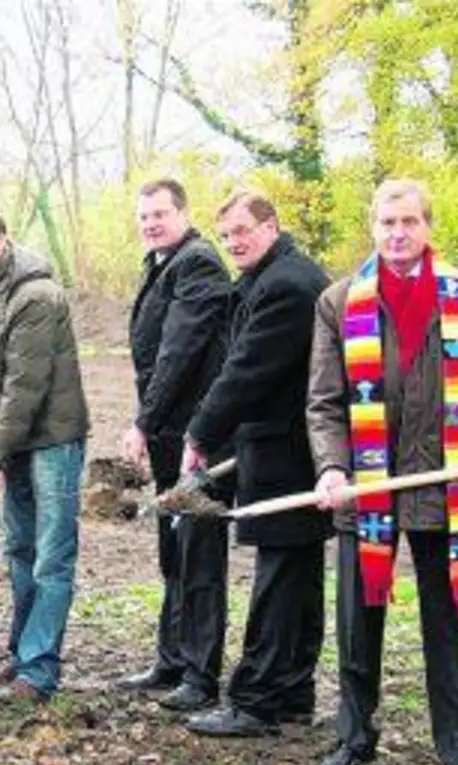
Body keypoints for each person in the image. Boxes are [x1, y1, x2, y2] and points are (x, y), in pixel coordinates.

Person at [307, 178, 458, 765]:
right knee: (357, 621)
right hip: (366, 490)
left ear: (427, 226)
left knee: (449, 624)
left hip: (445, 483)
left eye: (409, 221)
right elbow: (324, 402)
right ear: (372, 227)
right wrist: (332, 467)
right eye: (387, 223)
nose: (398, 234)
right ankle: (355, 737)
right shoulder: (337, 302)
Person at [179, 189, 334, 737]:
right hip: (282, 449)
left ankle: (258, 701)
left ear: (271, 226)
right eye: (227, 236)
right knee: (295, 575)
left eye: (244, 230)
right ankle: (292, 694)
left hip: (286, 452)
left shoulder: (288, 287)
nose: (235, 243)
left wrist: (200, 433)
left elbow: (246, 370)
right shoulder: (272, 279)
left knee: (280, 575)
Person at [0, 204, 91, 705]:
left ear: (2, 241)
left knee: (51, 556)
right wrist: (2, 452)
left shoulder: (35, 295)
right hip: (17, 444)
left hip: (52, 440)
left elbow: (23, 385)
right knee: (19, 550)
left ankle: (39, 668)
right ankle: (23, 651)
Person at [113, 178, 236, 712]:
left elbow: (179, 351)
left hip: (198, 436)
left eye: (160, 214)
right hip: (170, 437)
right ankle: (171, 658)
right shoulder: (160, 264)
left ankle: (200, 673)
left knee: (200, 552)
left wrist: (143, 421)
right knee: (174, 548)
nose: (150, 224)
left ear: (183, 214)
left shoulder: (199, 264)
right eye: (143, 217)